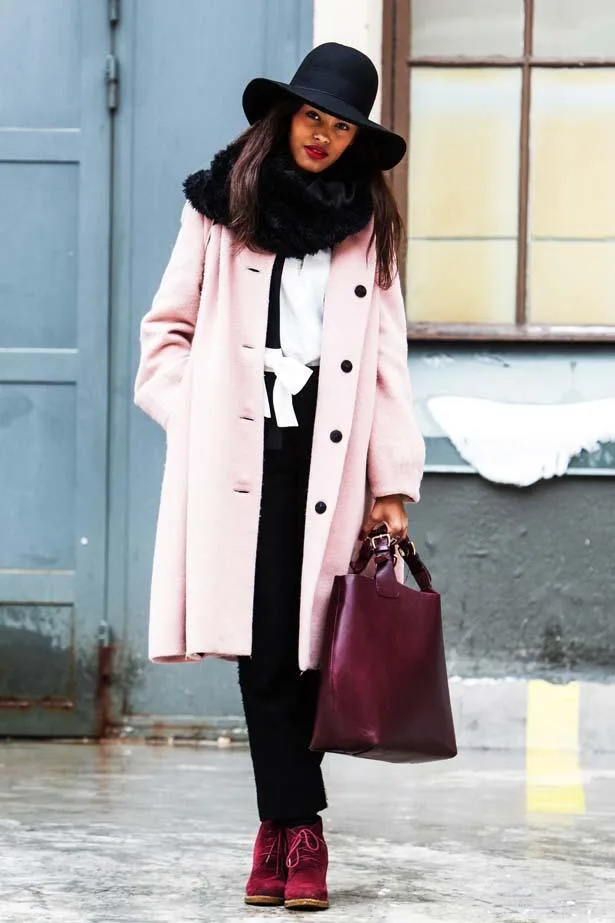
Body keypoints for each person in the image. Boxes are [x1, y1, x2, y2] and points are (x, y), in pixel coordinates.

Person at [134, 42, 425, 912]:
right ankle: (301, 833)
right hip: (237, 455)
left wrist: (392, 483)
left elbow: (385, 362)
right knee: (264, 649)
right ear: (283, 117)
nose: (322, 138)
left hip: (327, 458)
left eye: (339, 128)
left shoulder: (366, 228)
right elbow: (164, 337)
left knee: (309, 658)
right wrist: (202, 413)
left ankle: (279, 834)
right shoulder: (218, 208)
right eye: (312, 119)